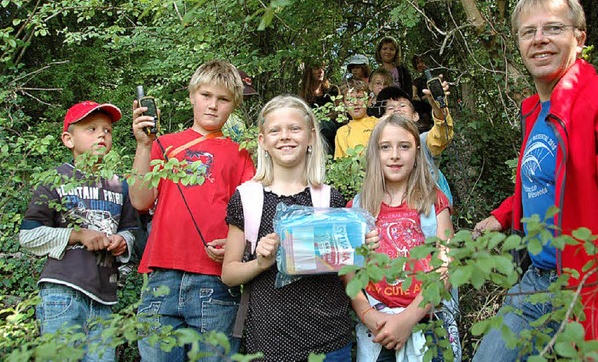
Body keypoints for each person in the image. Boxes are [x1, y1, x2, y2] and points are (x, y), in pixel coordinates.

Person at [472, 0, 598, 360]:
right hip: (539, 277)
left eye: (553, 28)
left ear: (580, 38)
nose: (539, 39)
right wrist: (502, 216)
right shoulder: (535, 110)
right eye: (528, 31)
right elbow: (543, 180)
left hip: (593, 286)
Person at [221, 95, 378, 361]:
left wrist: (364, 251)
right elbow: (229, 273)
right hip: (269, 342)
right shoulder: (247, 198)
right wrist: (260, 263)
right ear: (263, 141)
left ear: (311, 137)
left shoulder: (329, 198)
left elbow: (345, 271)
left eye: (294, 128)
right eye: (274, 130)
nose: (285, 136)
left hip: (331, 340)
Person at [130, 60, 255, 361]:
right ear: (191, 96)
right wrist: (144, 146)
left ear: (234, 105)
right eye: (206, 95)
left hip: (214, 281)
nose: (213, 105)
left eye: (223, 99)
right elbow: (139, 200)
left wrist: (236, 246)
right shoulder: (164, 144)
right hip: (162, 276)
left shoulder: (240, 154)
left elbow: (251, 214)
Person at [19, 101, 138, 362]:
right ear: (68, 139)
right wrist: (77, 235)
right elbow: (28, 236)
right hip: (62, 292)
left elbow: (132, 230)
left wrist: (122, 241)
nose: (101, 135)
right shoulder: (55, 180)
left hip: (105, 297)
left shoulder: (121, 185)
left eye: (107, 130)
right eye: (91, 129)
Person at [347, 115, 461, 362]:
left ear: (417, 152)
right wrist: (366, 313)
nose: (395, 155)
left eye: (404, 146)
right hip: (378, 326)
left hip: (428, 320)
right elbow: (349, 269)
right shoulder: (360, 206)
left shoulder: (432, 201)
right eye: (385, 147)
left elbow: (446, 266)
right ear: (374, 153)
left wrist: (408, 318)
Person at [377, 86, 455, 204]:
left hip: (428, 209)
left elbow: (441, 135)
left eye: (403, 106)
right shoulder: (378, 146)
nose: (397, 109)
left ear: (415, 116)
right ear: (383, 118)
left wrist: (439, 110)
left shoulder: (423, 141)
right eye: (391, 107)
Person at [299, 60, 342, 156]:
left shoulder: (332, 91)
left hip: (332, 131)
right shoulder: (304, 97)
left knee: (324, 125)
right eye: (316, 68)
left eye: (323, 68)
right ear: (309, 71)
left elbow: (339, 113)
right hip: (313, 133)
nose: (320, 71)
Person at [334, 79, 379, 158]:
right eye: (349, 99)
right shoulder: (342, 132)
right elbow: (340, 163)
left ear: (369, 101)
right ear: (343, 104)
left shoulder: (378, 124)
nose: (355, 103)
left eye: (359, 97)